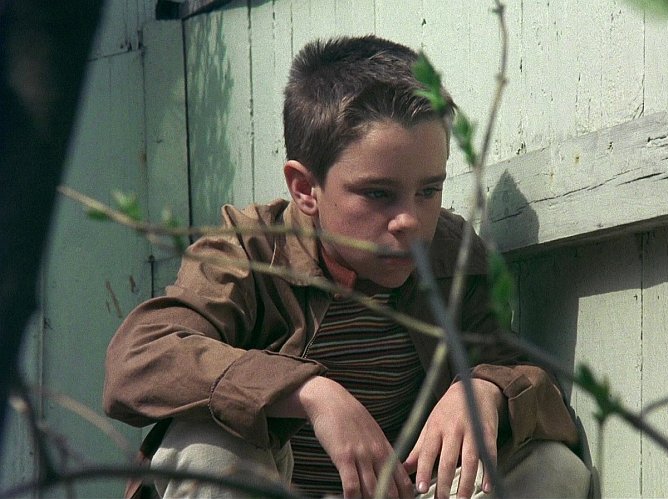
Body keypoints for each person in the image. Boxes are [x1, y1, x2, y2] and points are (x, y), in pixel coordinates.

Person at [103, 35, 590, 499]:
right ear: (304, 189)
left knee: (552, 467)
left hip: (401, 489)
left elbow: (526, 379)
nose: (409, 221)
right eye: (377, 193)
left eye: (428, 190)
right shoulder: (249, 252)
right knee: (205, 448)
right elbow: (139, 358)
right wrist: (310, 392)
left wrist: (485, 388)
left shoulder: (450, 256)